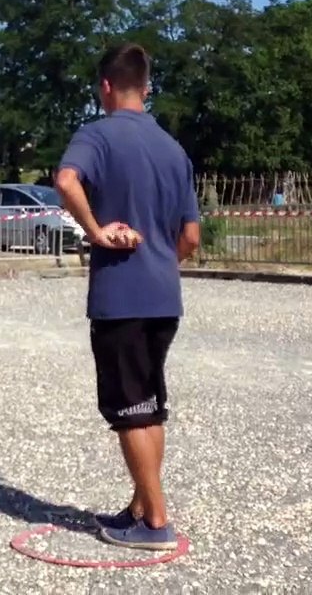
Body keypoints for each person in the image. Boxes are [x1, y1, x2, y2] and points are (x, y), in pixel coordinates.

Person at [54, 43, 200, 551]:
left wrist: (94, 231)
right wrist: (160, 264)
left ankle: (155, 520)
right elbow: (192, 238)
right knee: (151, 404)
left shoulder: (96, 133)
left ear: (106, 87)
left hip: (121, 298)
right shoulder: (173, 149)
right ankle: (140, 503)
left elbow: (66, 180)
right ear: (147, 86)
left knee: (129, 407)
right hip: (165, 298)